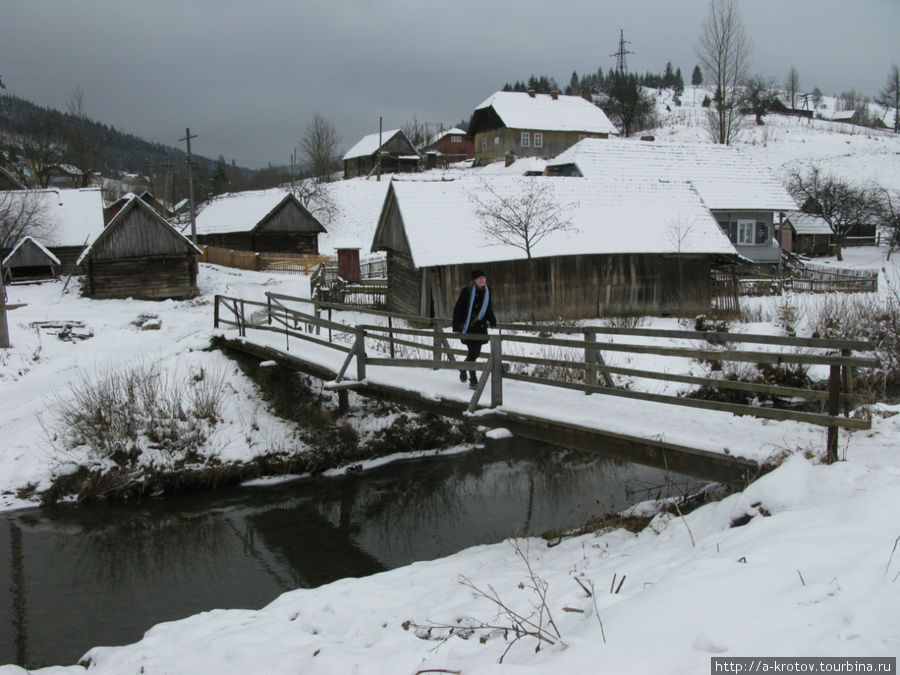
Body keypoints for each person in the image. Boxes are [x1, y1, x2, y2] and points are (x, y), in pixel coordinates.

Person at [452, 269, 497, 389]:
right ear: (474, 280)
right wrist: (456, 327)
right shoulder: (467, 291)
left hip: (481, 327)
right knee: (473, 353)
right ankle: (473, 380)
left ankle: (463, 367)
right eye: (479, 278)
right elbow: (458, 309)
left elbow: (488, 308)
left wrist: (492, 321)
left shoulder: (488, 290)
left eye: (483, 277)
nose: (482, 280)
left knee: (475, 353)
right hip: (468, 327)